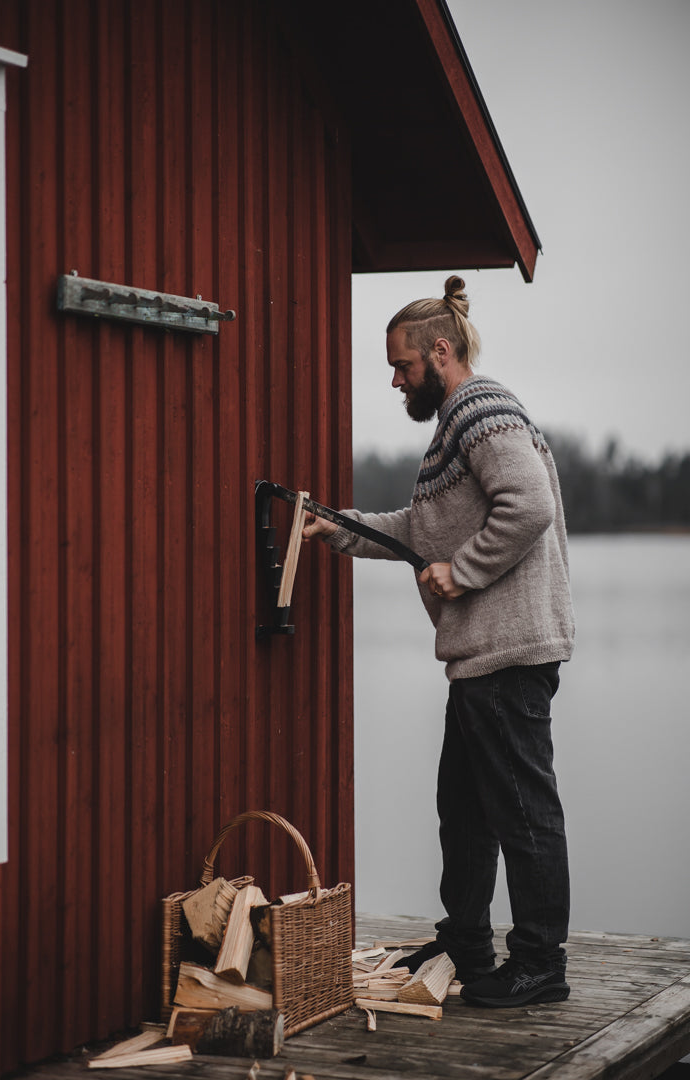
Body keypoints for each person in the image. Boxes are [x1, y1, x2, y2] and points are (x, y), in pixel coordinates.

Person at [302, 275, 575, 1008]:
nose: (395, 380)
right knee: (463, 808)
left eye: (403, 365)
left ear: (441, 351)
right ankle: (465, 942)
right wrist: (339, 527)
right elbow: (421, 532)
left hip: (510, 653)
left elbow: (531, 506)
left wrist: (466, 571)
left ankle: (540, 965)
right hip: (481, 659)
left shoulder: (481, 411)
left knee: (522, 811)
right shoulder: (456, 424)